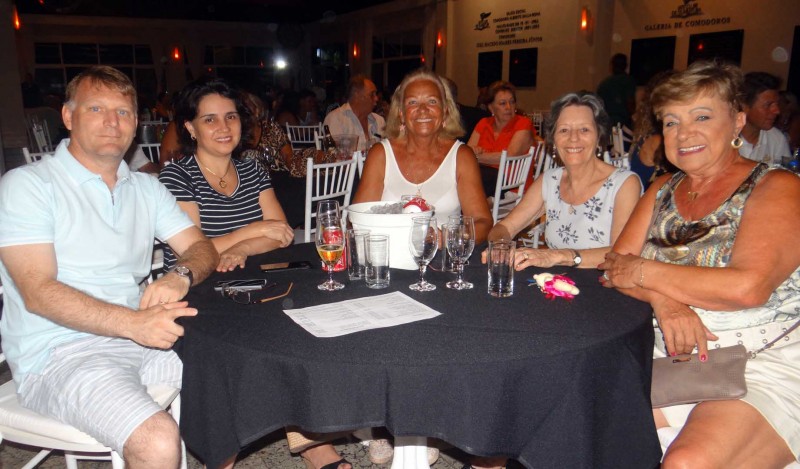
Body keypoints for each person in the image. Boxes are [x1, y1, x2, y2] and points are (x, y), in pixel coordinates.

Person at [0, 65, 218, 468]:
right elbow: (37, 291)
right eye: (96, 109)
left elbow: (202, 248)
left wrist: (180, 274)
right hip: (59, 353)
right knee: (156, 440)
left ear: (136, 123)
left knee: (234, 371)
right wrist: (133, 324)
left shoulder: (147, 188)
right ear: (68, 116)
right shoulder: (28, 186)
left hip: (138, 333)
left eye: (123, 112)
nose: (112, 122)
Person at [599, 60, 800, 468]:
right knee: (586, 425)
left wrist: (644, 272)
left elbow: (746, 288)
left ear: (738, 121)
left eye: (702, 117)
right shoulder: (661, 188)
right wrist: (664, 301)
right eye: (671, 122)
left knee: (688, 462)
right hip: (674, 356)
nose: (684, 133)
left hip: (760, 359)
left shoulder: (777, 186)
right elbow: (614, 268)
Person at [159, 78, 347, 469]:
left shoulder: (253, 168)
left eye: (230, 117)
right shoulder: (178, 176)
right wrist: (252, 231)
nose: (223, 127)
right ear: (190, 128)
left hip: (254, 281)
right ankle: (222, 456)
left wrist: (241, 248)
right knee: (232, 346)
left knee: (305, 322)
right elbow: (193, 249)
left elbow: (281, 234)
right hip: (197, 288)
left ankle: (309, 440)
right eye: (209, 119)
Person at [352, 67, 492, 466]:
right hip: (388, 269)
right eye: (412, 102)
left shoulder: (460, 155)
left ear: (445, 110)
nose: (423, 110)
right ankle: (379, 424)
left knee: (431, 345)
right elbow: (358, 218)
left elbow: (483, 222)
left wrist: (444, 238)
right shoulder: (381, 154)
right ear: (400, 111)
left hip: (442, 270)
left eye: (432, 101)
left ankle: (421, 423)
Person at [485, 91, 642, 272]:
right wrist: (500, 248)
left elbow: (621, 253)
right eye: (564, 130)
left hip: (603, 282)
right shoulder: (550, 181)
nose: (573, 138)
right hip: (556, 282)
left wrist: (558, 256)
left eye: (584, 129)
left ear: (599, 136)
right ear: (553, 139)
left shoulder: (624, 184)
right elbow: (504, 227)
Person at [466, 80, 536, 196]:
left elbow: (509, 156)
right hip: (483, 185)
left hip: (511, 188)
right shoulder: (483, 123)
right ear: (491, 108)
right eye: (503, 103)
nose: (508, 107)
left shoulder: (523, 124)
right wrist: (473, 153)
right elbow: (466, 152)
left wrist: (476, 157)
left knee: (469, 189)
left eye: (512, 102)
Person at [739, 72, 791, 164]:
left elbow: (785, 170)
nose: (777, 111)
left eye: (777, 104)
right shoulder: (724, 137)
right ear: (744, 106)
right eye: (768, 105)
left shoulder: (776, 139)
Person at [323, 74, 386, 152]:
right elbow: (333, 154)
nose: (376, 98)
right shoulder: (336, 119)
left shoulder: (379, 121)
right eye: (372, 94)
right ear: (357, 94)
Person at [596, 53, 637, 128]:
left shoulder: (604, 84)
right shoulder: (628, 81)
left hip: (606, 122)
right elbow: (630, 102)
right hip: (623, 123)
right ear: (625, 66)